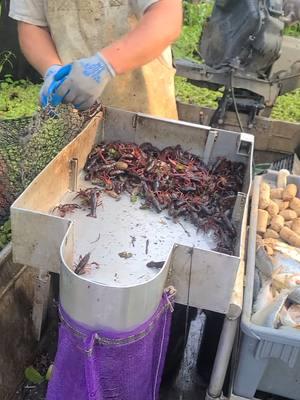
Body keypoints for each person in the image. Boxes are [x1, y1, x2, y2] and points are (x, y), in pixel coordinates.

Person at [9, 0, 182, 118]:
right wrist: (52, 70)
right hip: (74, 106)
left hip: (144, 105)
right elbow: (32, 24)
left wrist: (104, 65)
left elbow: (166, 17)